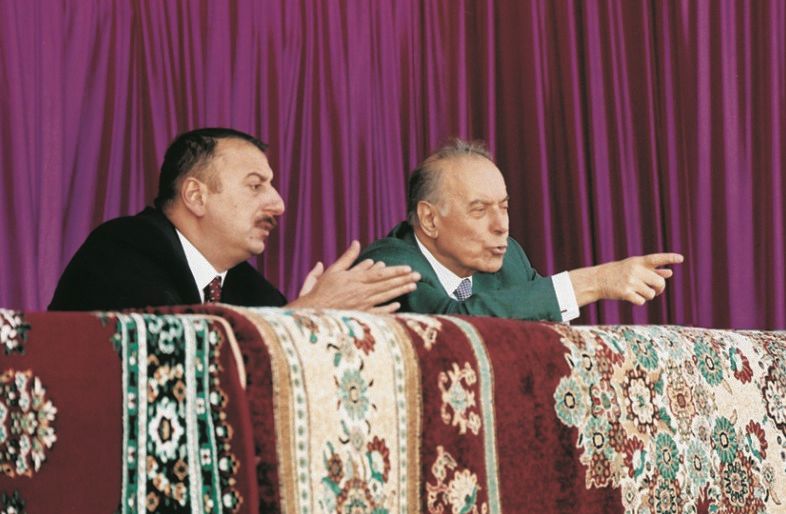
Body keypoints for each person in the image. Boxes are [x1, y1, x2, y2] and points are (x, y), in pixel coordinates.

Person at [49, 128, 420, 311]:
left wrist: (320, 330)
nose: (279, 205)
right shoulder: (121, 251)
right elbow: (170, 357)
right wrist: (303, 316)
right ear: (196, 196)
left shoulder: (252, 290)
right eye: (256, 186)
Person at [358, 139, 683, 321]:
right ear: (429, 220)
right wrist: (596, 281)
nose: (501, 226)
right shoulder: (386, 264)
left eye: (504, 207)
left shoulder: (509, 256)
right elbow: (453, 323)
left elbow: (542, 318)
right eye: (479, 210)